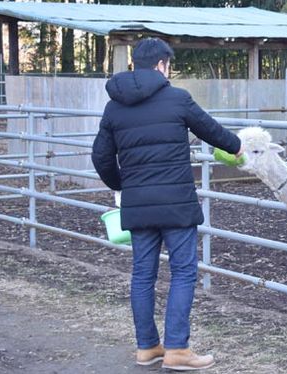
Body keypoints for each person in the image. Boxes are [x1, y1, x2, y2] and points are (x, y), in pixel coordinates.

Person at [91, 37, 242, 371]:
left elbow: (100, 157)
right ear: (162, 65)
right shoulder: (177, 98)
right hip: (176, 205)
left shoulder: (114, 106)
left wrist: (123, 185)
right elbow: (212, 131)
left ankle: (147, 348)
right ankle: (177, 349)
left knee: (143, 274)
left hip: (139, 205)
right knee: (184, 271)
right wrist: (237, 146)